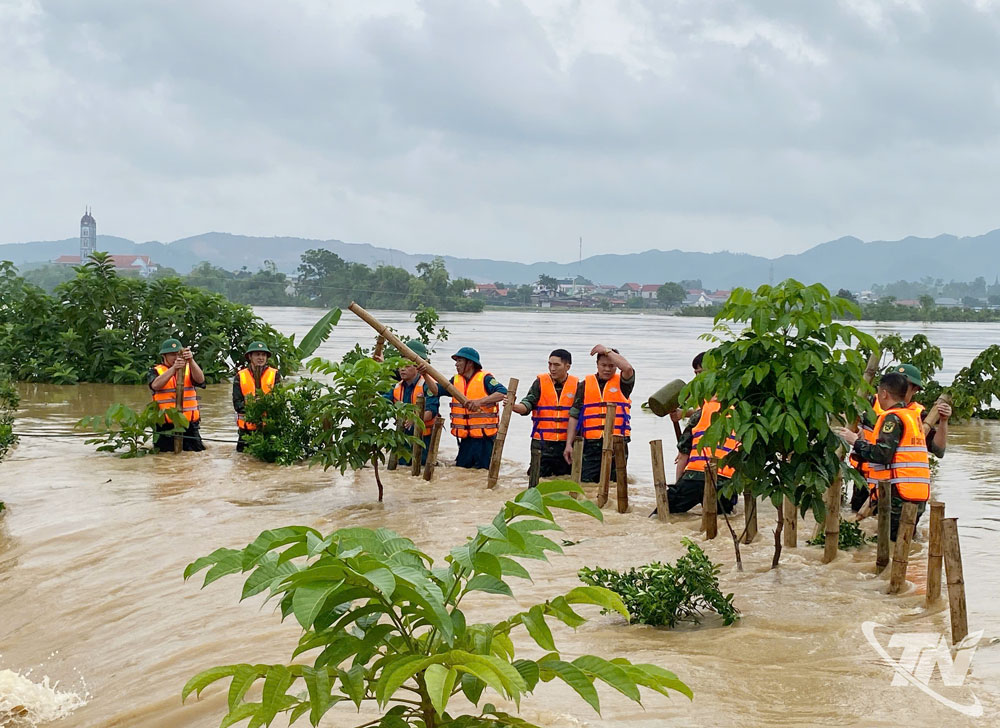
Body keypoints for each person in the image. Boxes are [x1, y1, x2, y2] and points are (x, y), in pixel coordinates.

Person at [835, 371, 931, 541]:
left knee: (888, 542)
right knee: (903, 543)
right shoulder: (912, 417)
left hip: (898, 494)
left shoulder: (892, 418)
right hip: (916, 493)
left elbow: (882, 454)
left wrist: (855, 441)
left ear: (884, 393)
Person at [848, 363, 950, 512]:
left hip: (894, 486)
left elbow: (938, 450)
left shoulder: (917, 416)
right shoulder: (871, 403)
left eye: (904, 383)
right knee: (858, 524)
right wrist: (857, 432)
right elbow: (848, 420)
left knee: (890, 530)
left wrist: (943, 421)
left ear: (915, 389)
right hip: (864, 479)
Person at [667, 352, 740, 514]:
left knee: (664, 514)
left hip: (696, 476)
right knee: (725, 517)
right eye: (695, 374)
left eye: (700, 373)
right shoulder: (740, 404)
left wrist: (678, 486)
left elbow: (684, 453)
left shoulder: (704, 409)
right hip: (727, 481)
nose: (697, 378)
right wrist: (683, 413)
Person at [563, 345, 634, 482]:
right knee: (585, 482)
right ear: (597, 365)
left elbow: (628, 368)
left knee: (615, 482)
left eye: (611, 366)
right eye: (603, 365)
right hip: (591, 444)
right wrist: (568, 444)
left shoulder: (623, 384)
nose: (607, 369)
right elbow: (574, 415)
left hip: (617, 443)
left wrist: (607, 351)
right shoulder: (584, 385)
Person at [513, 349, 577, 478]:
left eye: (556, 365)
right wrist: (513, 406)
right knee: (537, 478)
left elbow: (578, 415)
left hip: (565, 444)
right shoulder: (540, 383)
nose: (552, 368)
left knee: (564, 480)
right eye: (550, 364)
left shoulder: (577, 385)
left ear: (567, 367)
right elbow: (528, 403)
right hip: (541, 443)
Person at [441, 347, 507, 469]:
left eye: (459, 360)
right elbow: (436, 390)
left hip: (485, 439)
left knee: (484, 470)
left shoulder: (486, 379)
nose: (456, 364)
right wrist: (425, 373)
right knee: (462, 471)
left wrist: (480, 402)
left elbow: (503, 393)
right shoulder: (455, 381)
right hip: (466, 438)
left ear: (470, 363)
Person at [378, 340, 439, 466]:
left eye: (407, 366)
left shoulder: (427, 385)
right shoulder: (397, 387)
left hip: (423, 439)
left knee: (420, 468)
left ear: (417, 367)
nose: (402, 370)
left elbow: (431, 411)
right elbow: (384, 402)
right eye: (401, 366)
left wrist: (415, 419)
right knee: (401, 471)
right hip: (403, 438)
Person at [148, 338, 205, 452]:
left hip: (189, 424)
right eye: (172, 355)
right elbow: (155, 385)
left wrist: (191, 360)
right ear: (164, 356)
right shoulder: (155, 371)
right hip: (165, 426)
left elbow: (200, 380)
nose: (176, 358)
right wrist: (174, 368)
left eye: (178, 354)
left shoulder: (189, 369)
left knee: (196, 455)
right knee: (165, 458)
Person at [233, 341, 281, 452]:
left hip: (268, 430)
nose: (261, 358)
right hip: (246, 431)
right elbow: (237, 405)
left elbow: (279, 402)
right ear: (250, 357)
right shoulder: (240, 376)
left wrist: (264, 403)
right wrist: (253, 404)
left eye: (263, 355)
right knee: (242, 462)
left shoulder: (274, 375)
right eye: (257, 354)